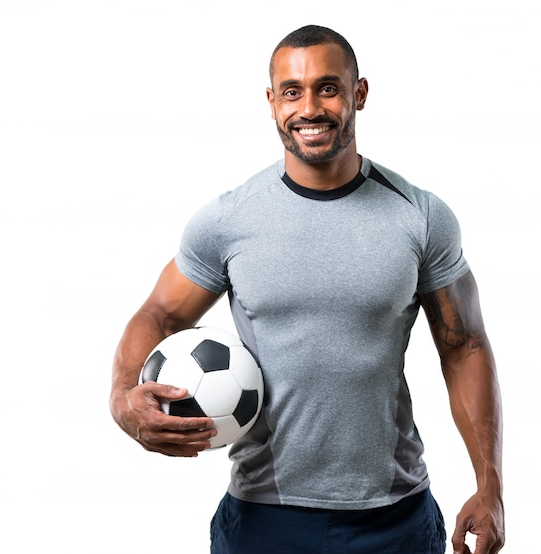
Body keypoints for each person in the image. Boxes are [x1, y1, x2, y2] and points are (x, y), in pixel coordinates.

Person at [110, 25, 504, 554]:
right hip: (263, 518)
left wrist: (491, 486)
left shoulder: (421, 216)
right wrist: (122, 398)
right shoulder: (229, 220)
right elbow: (159, 314)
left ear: (358, 93)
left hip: (395, 519)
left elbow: (465, 345)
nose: (310, 107)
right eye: (292, 91)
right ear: (272, 101)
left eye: (328, 87)